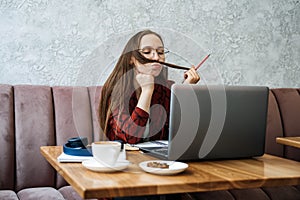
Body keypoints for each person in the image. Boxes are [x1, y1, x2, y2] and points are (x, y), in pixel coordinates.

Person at [99, 29, 200, 145]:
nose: (156, 57)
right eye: (147, 52)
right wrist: (147, 90)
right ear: (132, 58)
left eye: (161, 52)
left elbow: (177, 133)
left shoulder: (166, 88)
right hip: (125, 158)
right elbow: (131, 138)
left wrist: (186, 90)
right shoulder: (116, 89)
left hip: (159, 159)